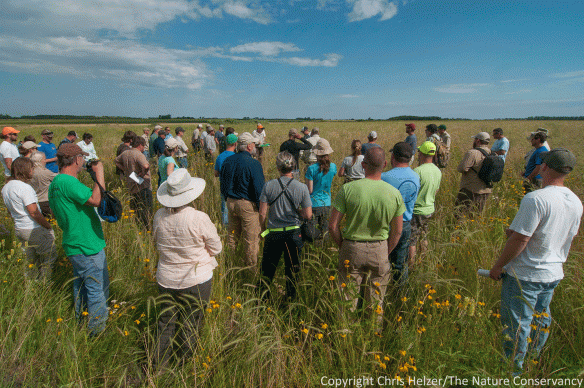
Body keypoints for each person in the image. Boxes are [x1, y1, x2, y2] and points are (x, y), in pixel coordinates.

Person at [489, 148, 582, 371]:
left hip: (526, 274)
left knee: (517, 325)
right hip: (553, 273)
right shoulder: (575, 201)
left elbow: (521, 239)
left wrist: (498, 266)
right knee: (541, 319)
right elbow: (562, 234)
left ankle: (514, 371)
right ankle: (533, 359)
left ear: (545, 167)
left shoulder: (535, 199)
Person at [153, 168, 221, 369]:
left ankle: (160, 366)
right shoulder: (199, 217)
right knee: (191, 322)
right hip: (196, 279)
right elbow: (216, 248)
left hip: (166, 278)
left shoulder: (159, 216)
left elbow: (156, 240)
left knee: (165, 322)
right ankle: (184, 366)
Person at [329, 148, 404, 322]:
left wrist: (344, 246)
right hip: (380, 248)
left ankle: (345, 336)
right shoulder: (394, 193)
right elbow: (398, 230)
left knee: (347, 299)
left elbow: (333, 226)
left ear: (363, 165)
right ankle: (373, 337)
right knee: (376, 301)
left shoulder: (348, 189)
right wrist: (386, 249)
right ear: (384, 165)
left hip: (352, 246)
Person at [48, 144, 108, 336]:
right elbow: (96, 200)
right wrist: (100, 174)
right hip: (87, 244)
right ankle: (96, 334)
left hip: (73, 242)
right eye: (82, 157)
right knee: (96, 290)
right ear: (76, 159)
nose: (83, 161)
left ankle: (80, 323)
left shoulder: (55, 183)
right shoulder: (69, 182)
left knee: (80, 286)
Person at [259, 151, 312, 301]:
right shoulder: (301, 188)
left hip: (273, 233)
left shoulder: (268, 186)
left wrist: (263, 231)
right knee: (293, 270)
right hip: (294, 234)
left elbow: (262, 214)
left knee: (268, 270)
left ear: (278, 167)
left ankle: (263, 300)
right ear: (294, 167)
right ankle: (290, 300)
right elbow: (308, 215)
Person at [2, 157, 56, 280]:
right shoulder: (25, 188)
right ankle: (45, 285)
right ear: (26, 170)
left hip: (19, 228)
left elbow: (10, 211)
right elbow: (34, 212)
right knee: (48, 258)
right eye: (32, 168)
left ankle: (32, 283)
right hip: (34, 228)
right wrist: (47, 226)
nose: (33, 171)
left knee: (30, 261)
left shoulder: (6, 187)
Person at [220, 132, 265, 271]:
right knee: (250, 239)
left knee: (232, 237)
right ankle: (250, 270)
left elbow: (223, 185)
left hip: (230, 203)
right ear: (249, 146)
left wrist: (228, 198)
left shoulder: (228, 161)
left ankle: (230, 264)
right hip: (247, 205)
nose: (256, 147)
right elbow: (259, 190)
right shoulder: (254, 163)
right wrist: (260, 210)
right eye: (255, 145)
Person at [381, 142, 420, 290]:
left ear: (393, 156)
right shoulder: (416, 176)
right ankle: (401, 293)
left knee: (383, 260)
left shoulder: (385, 176)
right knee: (401, 263)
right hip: (406, 224)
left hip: (388, 224)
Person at [409, 141, 442, 266]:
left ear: (421, 154)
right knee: (424, 236)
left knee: (412, 240)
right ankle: (422, 261)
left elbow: (412, 192)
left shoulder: (417, 171)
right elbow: (436, 190)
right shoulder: (437, 171)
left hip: (417, 210)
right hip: (429, 208)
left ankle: (411, 265)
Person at [115, 136, 152, 230]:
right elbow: (146, 165)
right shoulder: (138, 154)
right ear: (140, 145)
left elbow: (116, 161)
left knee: (136, 210)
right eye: (143, 146)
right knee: (146, 210)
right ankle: (146, 229)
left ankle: (139, 228)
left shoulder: (125, 153)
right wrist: (143, 173)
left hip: (132, 185)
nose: (144, 148)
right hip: (143, 186)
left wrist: (125, 170)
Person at [305, 139, 336, 240]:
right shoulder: (333, 167)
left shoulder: (311, 169)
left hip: (313, 203)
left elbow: (310, 190)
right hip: (326, 203)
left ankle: (315, 247)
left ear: (317, 154)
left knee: (312, 232)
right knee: (325, 230)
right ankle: (324, 247)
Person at [455, 132, 492, 214]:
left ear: (478, 140)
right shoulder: (491, 153)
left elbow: (461, 168)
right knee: (476, 215)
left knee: (459, 213)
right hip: (486, 190)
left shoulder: (472, 153)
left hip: (470, 189)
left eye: (474, 139)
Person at [214, 133, 238, 225]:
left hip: (223, 187)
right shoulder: (236, 157)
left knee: (225, 209)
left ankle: (225, 228)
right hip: (235, 187)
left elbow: (216, 174)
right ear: (235, 144)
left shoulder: (220, 157)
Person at [30, 151, 57, 217]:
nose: (45, 161)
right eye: (44, 159)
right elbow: (59, 178)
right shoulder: (45, 172)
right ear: (40, 160)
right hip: (46, 201)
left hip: (34, 201)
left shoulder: (29, 172)